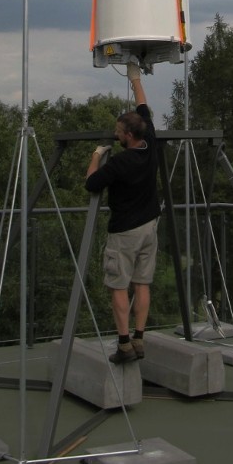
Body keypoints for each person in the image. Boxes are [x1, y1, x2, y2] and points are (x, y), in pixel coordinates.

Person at [85, 62, 160, 364]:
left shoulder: (119, 163)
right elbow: (143, 107)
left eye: (118, 132)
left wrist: (97, 155)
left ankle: (124, 343)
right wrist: (135, 78)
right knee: (142, 283)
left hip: (124, 232)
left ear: (128, 135)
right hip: (149, 226)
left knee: (118, 285)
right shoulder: (150, 141)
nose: (116, 135)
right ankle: (140, 338)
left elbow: (91, 184)